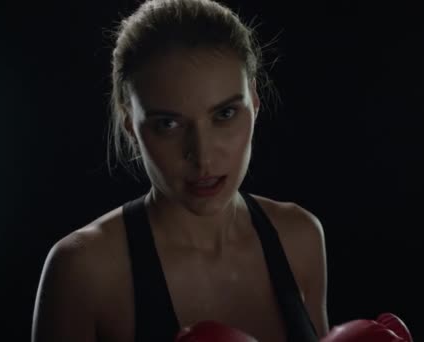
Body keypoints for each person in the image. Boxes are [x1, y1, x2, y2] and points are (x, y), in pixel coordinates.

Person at [31, 0, 329, 341]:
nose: (201, 157)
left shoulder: (300, 238)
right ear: (130, 122)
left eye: (225, 114)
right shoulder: (84, 272)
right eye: (168, 123)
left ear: (255, 102)